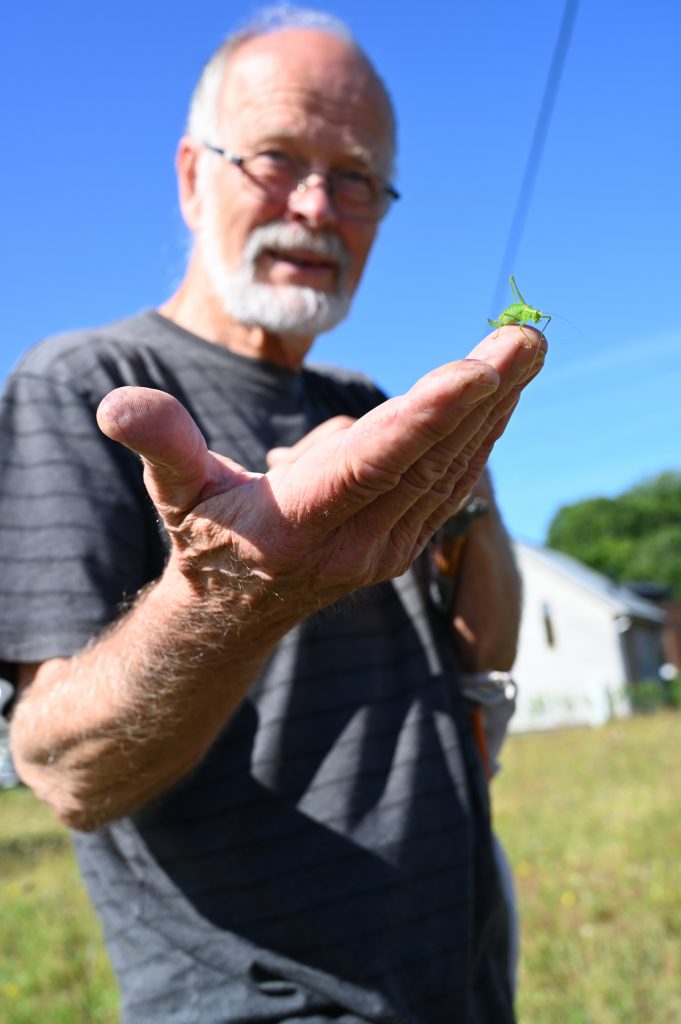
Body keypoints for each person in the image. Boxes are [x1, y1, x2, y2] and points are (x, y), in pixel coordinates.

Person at [0, 8, 545, 1023]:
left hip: (462, 977)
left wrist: (468, 487)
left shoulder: (368, 400)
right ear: (191, 174)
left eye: (355, 177)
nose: (315, 204)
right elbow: (57, 765)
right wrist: (238, 590)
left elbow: (476, 664)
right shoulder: (88, 382)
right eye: (276, 158)